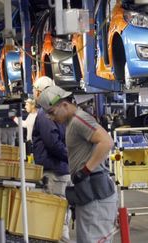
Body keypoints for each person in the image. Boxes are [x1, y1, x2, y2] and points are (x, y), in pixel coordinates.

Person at [38, 85, 117, 243]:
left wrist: (86, 170)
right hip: (89, 194)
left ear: (64, 105)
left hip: (95, 195)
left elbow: (107, 142)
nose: (52, 118)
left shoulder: (79, 120)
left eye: (52, 112)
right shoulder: (71, 123)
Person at [32, 76, 72, 241]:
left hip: (54, 173)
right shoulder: (59, 109)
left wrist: (68, 157)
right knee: (62, 215)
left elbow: (53, 143)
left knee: (55, 218)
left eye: (35, 91)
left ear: (40, 92)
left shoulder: (44, 113)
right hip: (61, 170)